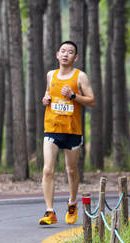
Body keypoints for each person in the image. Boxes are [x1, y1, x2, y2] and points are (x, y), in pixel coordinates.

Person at [39, 40, 95, 226]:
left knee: (71, 170)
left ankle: (72, 203)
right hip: (52, 128)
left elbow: (92, 100)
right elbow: (49, 93)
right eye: (62, 51)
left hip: (72, 130)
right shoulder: (51, 75)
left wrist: (73, 96)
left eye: (70, 52)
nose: (65, 54)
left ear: (75, 57)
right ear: (57, 55)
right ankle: (49, 211)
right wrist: (45, 99)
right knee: (48, 169)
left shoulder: (80, 77)